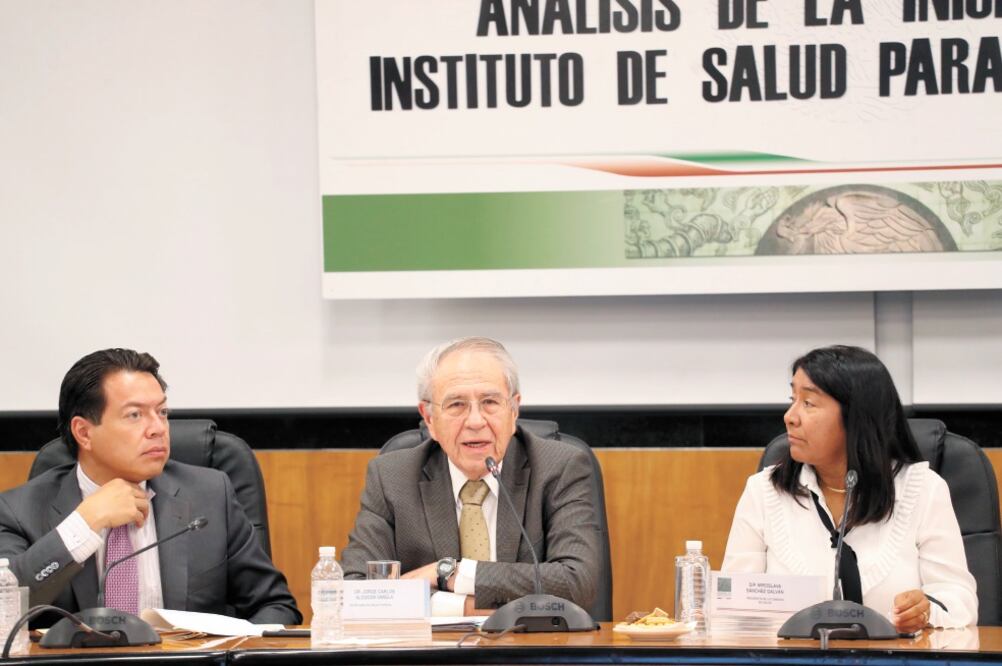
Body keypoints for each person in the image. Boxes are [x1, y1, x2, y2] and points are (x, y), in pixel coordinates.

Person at [0, 349, 301, 625]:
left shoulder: (209, 496)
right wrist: (84, 524)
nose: (158, 428)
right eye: (135, 415)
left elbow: (275, 606)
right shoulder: (18, 512)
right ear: (84, 432)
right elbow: (5, 610)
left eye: (162, 412)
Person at [722, 345, 977, 631]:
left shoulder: (924, 490)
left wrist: (926, 610)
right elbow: (732, 612)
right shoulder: (763, 492)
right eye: (792, 399)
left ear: (857, 416)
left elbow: (959, 600)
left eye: (809, 403)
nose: (789, 416)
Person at [340, 337, 601, 616]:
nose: (476, 421)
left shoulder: (559, 468)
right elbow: (353, 594)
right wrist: (464, 608)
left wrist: (450, 573)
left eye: (490, 402)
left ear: (513, 411)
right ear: (429, 418)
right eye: (456, 405)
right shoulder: (392, 478)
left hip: (529, 653)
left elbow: (577, 583)